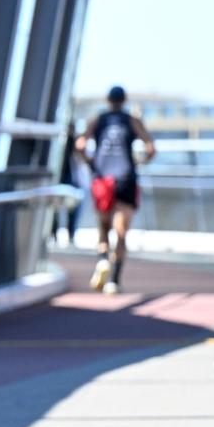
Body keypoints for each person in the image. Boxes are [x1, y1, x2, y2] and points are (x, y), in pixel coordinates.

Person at [77, 86, 155, 294]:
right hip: (125, 179)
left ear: (108, 100)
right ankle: (114, 281)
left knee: (103, 228)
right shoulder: (132, 120)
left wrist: (91, 163)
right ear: (124, 100)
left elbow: (80, 144)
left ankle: (103, 260)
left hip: (102, 178)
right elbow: (150, 148)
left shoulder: (98, 120)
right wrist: (140, 162)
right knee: (121, 233)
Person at [54, 123, 87, 246]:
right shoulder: (58, 142)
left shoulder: (75, 143)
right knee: (55, 208)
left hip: (72, 179)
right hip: (62, 178)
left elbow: (82, 159)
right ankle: (55, 233)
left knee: (74, 206)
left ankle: (71, 234)